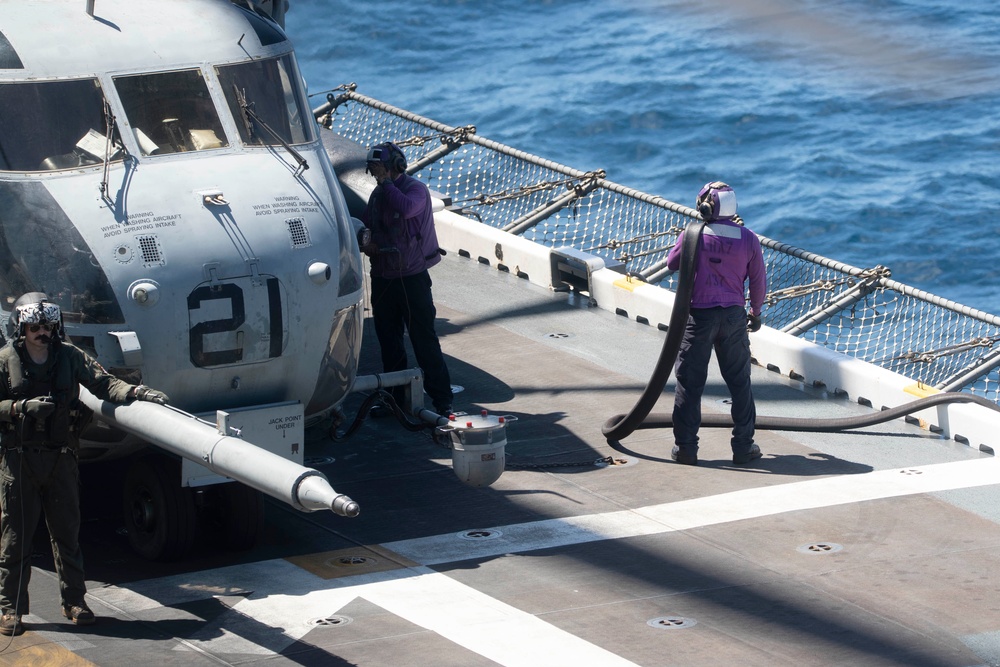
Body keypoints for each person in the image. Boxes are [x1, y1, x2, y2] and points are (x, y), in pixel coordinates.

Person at [0, 293, 169, 636]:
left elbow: (104, 383)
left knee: (67, 535)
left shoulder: (70, 357)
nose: (41, 333)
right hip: (18, 461)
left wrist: (135, 392)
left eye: (47, 326)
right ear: (22, 328)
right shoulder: (5, 360)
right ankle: (10, 608)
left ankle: (75, 602)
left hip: (61, 458)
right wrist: (20, 409)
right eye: (35, 327)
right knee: (15, 539)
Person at [665, 182, 767, 466]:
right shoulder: (748, 238)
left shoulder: (693, 235)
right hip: (734, 318)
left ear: (705, 207)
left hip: (699, 318)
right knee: (739, 383)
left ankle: (686, 449)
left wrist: (686, 238)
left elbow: (672, 264)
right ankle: (743, 447)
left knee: (690, 383)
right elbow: (758, 282)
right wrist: (755, 313)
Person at [360, 141, 453, 414]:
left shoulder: (415, 190)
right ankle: (394, 400)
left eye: (381, 169)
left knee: (424, 340)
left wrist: (386, 183)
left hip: (411, 278)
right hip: (383, 276)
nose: (378, 175)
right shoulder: (378, 195)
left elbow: (407, 208)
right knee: (389, 342)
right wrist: (367, 241)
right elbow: (368, 223)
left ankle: (442, 400)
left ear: (395, 167)